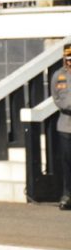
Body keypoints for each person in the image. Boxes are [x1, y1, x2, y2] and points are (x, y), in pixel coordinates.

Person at [51, 42, 71, 211]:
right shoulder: (58, 75)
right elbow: (56, 97)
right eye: (67, 57)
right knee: (66, 162)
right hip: (65, 124)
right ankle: (67, 195)